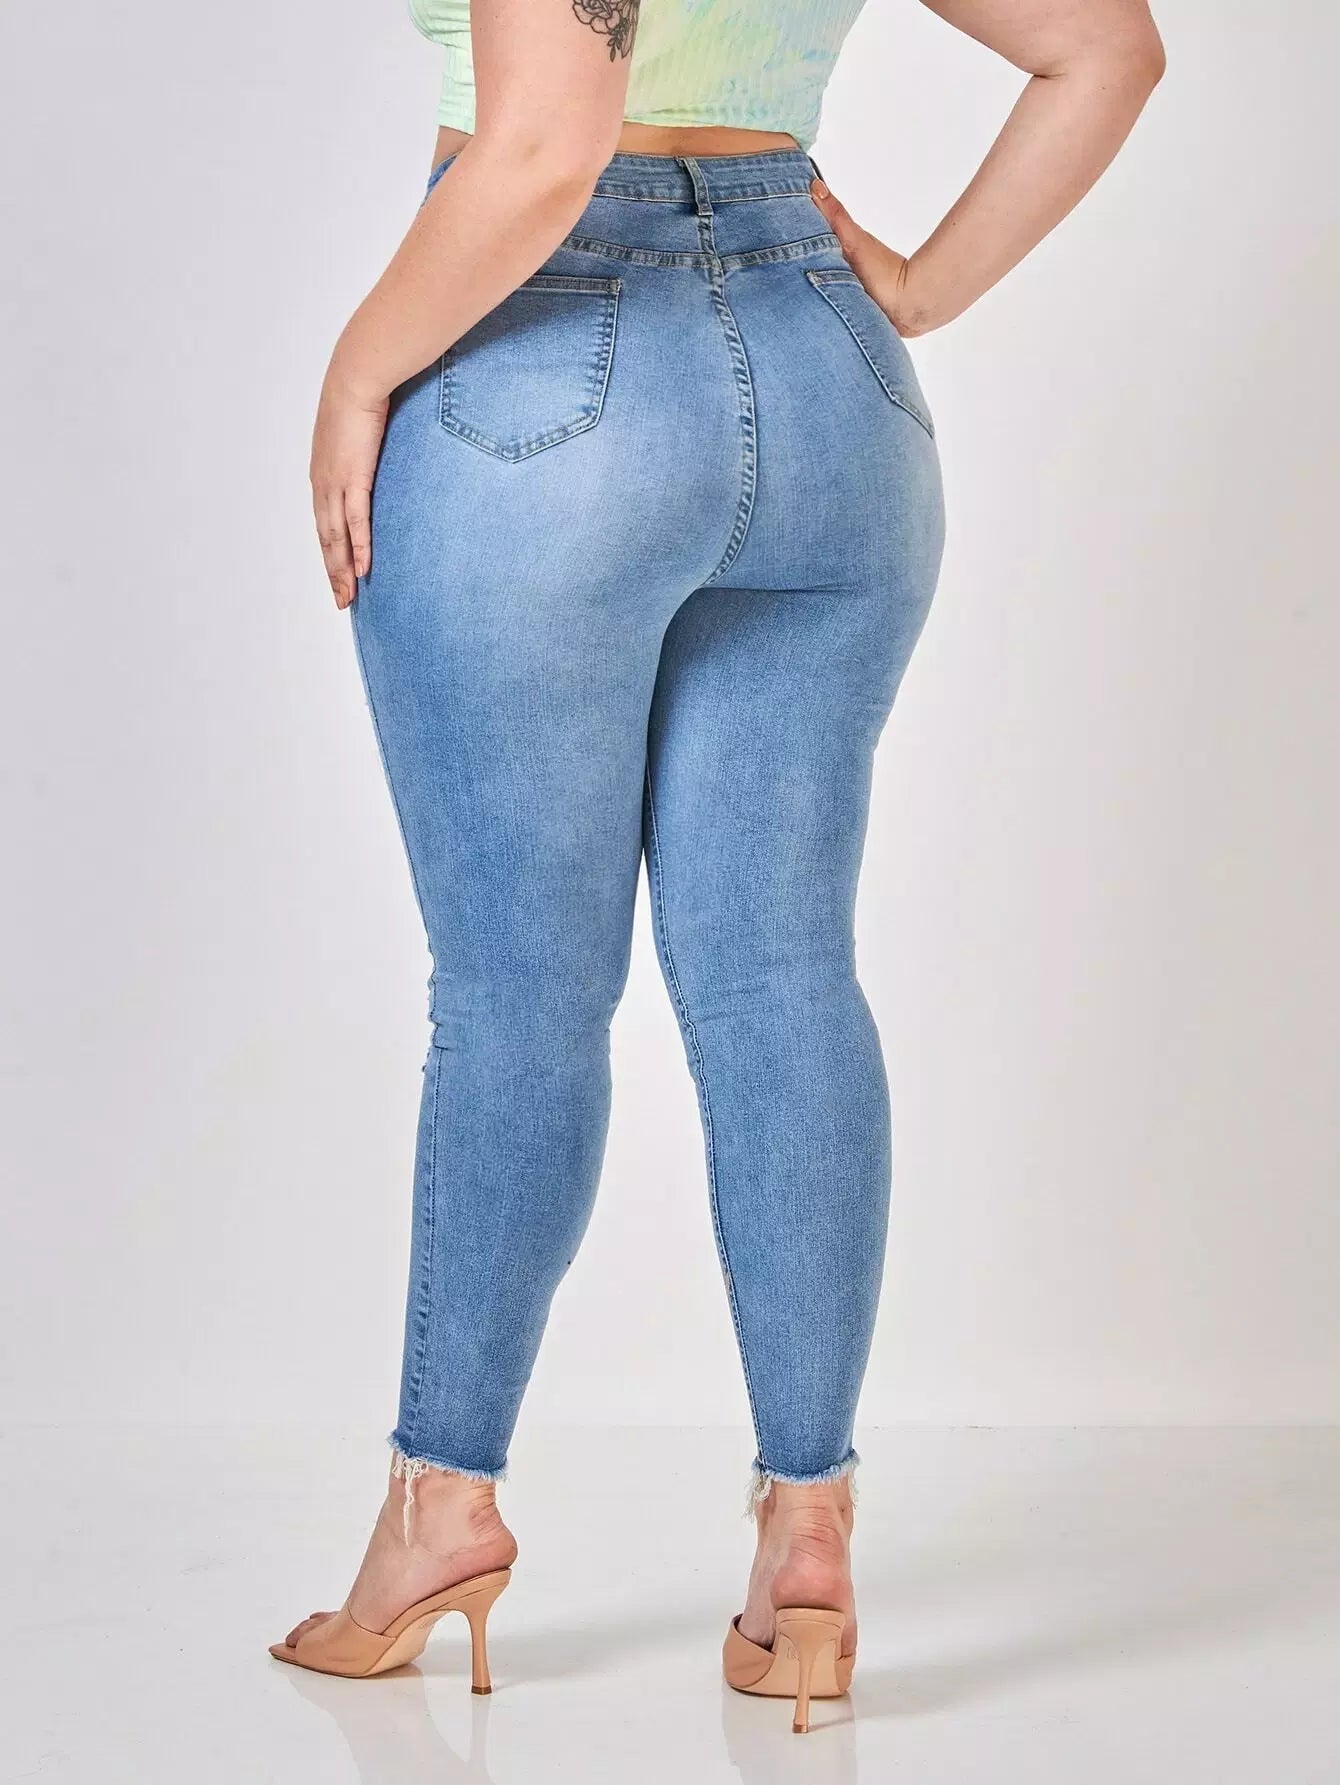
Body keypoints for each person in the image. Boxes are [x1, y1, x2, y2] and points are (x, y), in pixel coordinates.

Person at [269, 0, 1165, 1730]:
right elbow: (1106, 50)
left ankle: (440, 1511)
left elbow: (549, 142)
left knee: (521, 993)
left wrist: (359, 368)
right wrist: (922, 289)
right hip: (830, 382)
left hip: (544, 371)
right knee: (780, 978)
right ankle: (808, 1540)